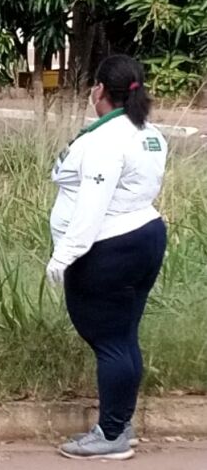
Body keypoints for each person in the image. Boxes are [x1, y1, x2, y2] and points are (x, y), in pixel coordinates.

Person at [47, 55, 168, 460]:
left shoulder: (104, 140)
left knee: (110, 340)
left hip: (109, 246)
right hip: (145, 235)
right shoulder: (148, 132)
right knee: (123, 335)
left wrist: (64, 255)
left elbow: (92, 207)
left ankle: (112, 434)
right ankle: (121, 421)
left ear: (98, 89)